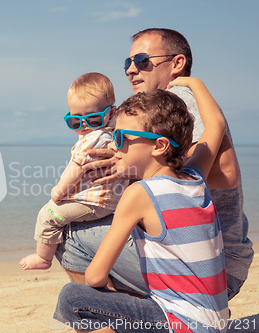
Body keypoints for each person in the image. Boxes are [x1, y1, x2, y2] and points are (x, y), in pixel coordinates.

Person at [55, 28, 253, 300]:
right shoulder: (159, 108)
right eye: (128, 63)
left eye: (142, 60)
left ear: (177, 63)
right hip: (210, 258)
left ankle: (131, 320)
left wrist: (133, 168)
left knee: (68, 236)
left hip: (207, 264)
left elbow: (226, 173)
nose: (131, 69)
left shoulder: (180, 100)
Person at [54, 77, 228, 332]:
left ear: (159, 146)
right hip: (215, 321)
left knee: (73, 297)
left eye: (121, 137)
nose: (114, 145)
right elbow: (216, 125)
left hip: (180, 323)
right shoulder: (196, 176)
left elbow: (94, 276)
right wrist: (196, 83)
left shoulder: (139, 194)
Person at [20, 73, 128, 270]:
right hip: (108, 202)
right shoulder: (112, 133)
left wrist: (59, 190)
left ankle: (43, 258)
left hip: (93, 202)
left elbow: (75, 169)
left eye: (93, 119)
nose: (84, 125)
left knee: (48, 214)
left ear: (111, 114)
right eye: (75, 121)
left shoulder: (91, 139)